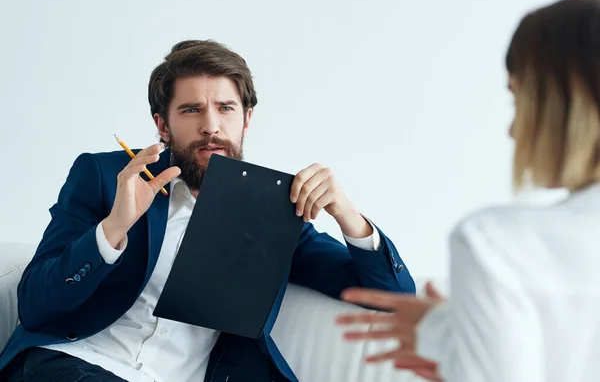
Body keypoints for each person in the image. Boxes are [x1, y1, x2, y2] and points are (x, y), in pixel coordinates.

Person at [0, 40, 415, 382]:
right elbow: (36, 305)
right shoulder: (106, 176)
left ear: (246, 119)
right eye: (191, 109)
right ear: (163, 125)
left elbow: (392, 297)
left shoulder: (273, 210)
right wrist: (112, 230)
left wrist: (348, 215)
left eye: (225, 108)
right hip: (74, 365)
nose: (211, 126)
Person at [335, 0, 600, 382]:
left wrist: (449, 347)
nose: (513, 130)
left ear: (562, 102)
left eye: (518, 100)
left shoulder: (496, 245)